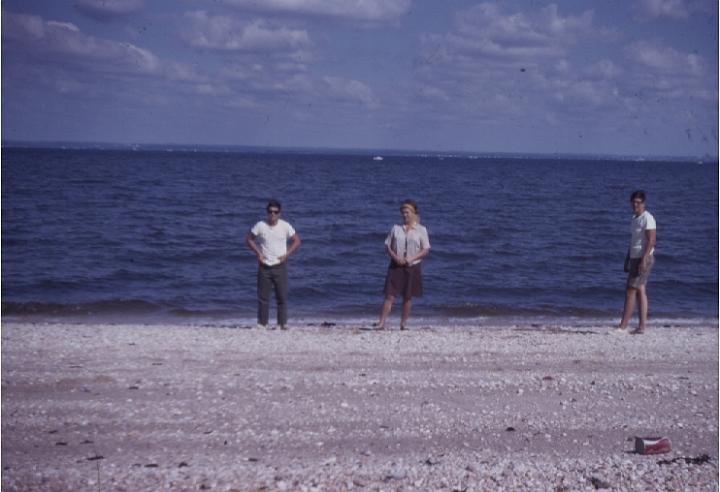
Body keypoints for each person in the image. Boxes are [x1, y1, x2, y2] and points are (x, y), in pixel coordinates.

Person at [245, 200, 301, 330]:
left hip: (279, 265)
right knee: (263, 297)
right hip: (264, 266)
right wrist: (258, 253)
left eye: (275, 212)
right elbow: (249, 239)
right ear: (267, 212)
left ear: (279, 213)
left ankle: (282, 324)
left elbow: (297, 241)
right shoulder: (260, 225)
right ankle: (262, 324)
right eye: (270, 212)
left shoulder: (285, 226)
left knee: (281, 297)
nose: (272, 214)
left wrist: (287, 255)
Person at [377, 199, 431, 330]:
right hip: (395, 265)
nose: (405, 215)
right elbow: (387, 246)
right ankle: (381, 323)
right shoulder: (395, 228)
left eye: (407, 213)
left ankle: (403, 324)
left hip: (412, 266)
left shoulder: (421, 230)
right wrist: (395, 257)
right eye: (403, 213)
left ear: (413, 213)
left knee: (407, 296)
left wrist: (411, 259)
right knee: (389, 295)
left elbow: (425, 250)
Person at [617, 190, 656, 335]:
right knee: (640, 290)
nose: (635, 205)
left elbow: (651, 241)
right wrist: (627, 259)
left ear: (643, 203)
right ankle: (642, 327)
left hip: (643, 258)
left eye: (638, 202)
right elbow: (633, 241)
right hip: (634, 257)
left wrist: (644, 260)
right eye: (633, 202)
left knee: (630, 291)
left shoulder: (648, 218)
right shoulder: (634, 218)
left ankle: (622, 326)